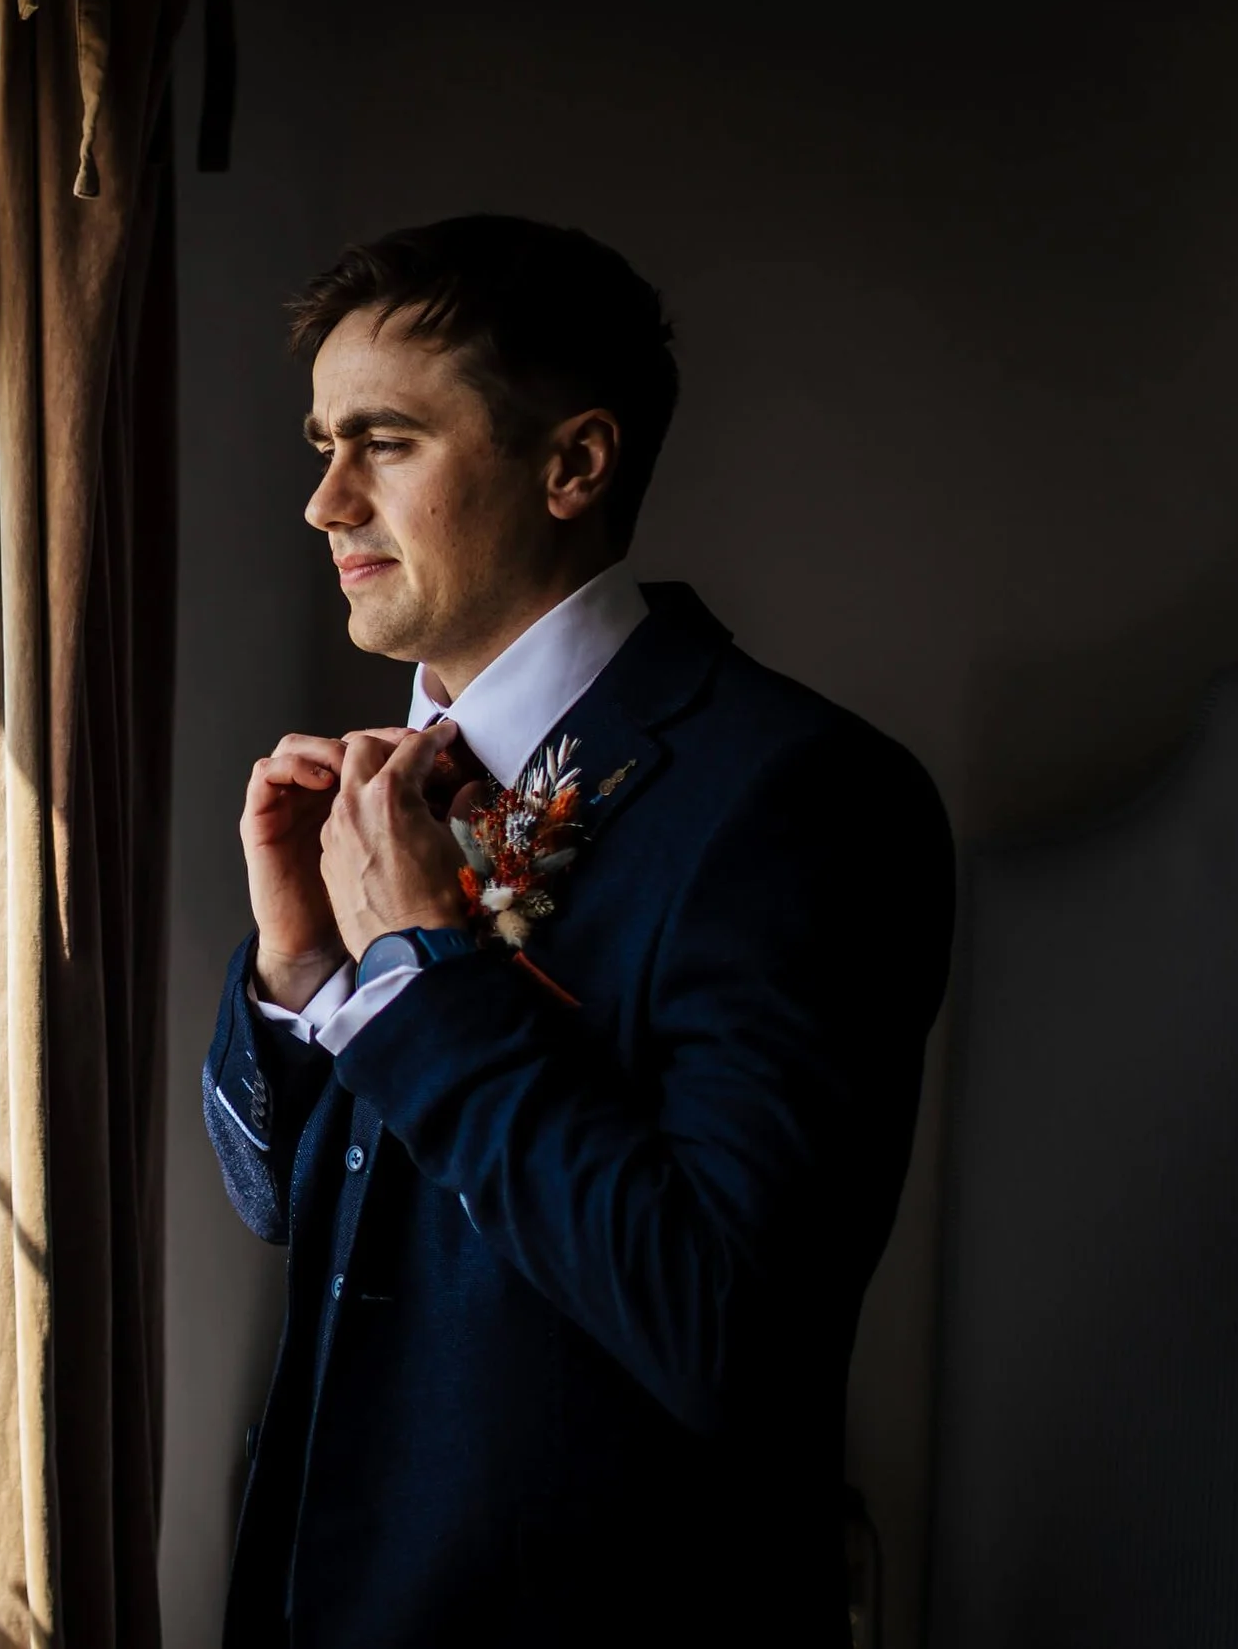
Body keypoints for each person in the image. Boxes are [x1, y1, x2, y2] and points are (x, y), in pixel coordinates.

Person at [203, 214, 954, 1645]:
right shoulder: (375, 803)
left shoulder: (803, 798)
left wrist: (423, 982)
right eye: (323, 443)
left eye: (387, 442)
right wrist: (303, 978)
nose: (324, 503)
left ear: (574, 463)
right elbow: (293, 1211)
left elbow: (724, 1331)